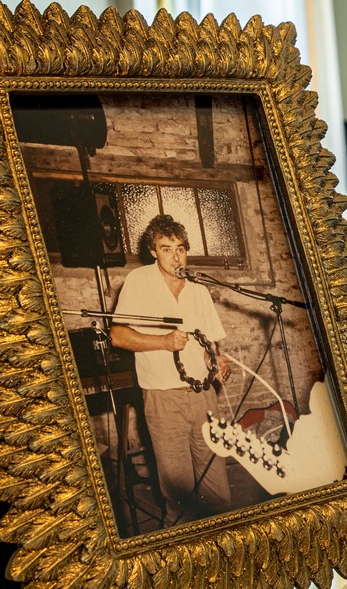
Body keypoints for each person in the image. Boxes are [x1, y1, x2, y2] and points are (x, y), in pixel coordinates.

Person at [110, 214, 232, 526]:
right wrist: (163, 342)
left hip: (203, 397)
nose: (175, 256)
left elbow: (212, 346)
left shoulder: (198, 288)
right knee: (179, 496)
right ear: (153, 251)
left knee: (218, 493)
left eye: (180, 248)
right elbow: (118, 335)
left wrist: (217, 361)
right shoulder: (138, 282)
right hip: (163, 400)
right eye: (166, 249)